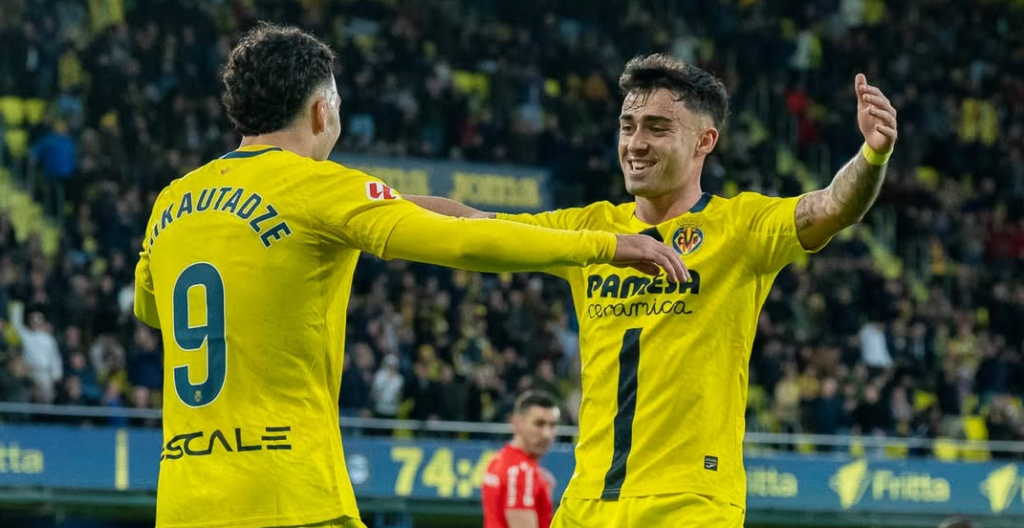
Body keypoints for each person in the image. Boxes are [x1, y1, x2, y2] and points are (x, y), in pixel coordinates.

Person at [133, 24, 685, 528]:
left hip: (182, 503)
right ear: (322, 111)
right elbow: (464, 243)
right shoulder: (320, 188)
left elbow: (150, 310)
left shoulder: (172, 201)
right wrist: (605, 244)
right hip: (289, 498)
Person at [410, 53, 898, 527]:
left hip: (689, 503)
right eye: (628, 127)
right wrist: (369, 202)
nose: (635, 143)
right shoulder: (589, 230)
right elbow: (474, 225)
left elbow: (832, 206)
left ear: (705, 141)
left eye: (657, 128)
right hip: (587, 502)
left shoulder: (741, 227)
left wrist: (873, 154)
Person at [482, 391, 560, 528]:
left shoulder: (499, 459)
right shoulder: (522, 472)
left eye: (552, 425)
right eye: (539, 424)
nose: (547, 434)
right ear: (517, 423)